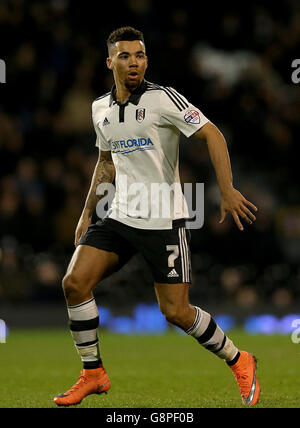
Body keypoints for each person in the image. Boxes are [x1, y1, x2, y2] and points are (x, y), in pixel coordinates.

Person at [54, 26, 260, 407]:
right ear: (110, 62)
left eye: (141, 55)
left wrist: (227, 189)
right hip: (119, 216)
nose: (134, 63)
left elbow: (212, 133)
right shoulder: (100, 108)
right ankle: (93, 373)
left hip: (163, 220)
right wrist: (87, 214)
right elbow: (105, 163)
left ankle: (239, 359)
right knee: (74, 283)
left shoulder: (163, 98)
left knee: (175, 312)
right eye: (126, 56)